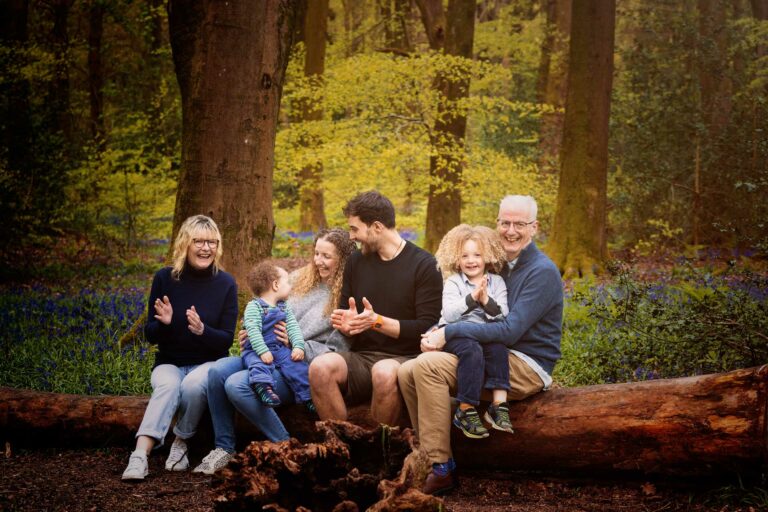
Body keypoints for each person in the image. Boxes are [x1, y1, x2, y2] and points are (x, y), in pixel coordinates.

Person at [398, 195, 563, 496]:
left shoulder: (541, 271)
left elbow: (510, 331)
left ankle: (441, 468)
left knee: (427, 367)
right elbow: (469, 311)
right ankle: (427, 455)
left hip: (526, 363)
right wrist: (437, 329)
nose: (510, 231)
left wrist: (447, 334)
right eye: (505, 223)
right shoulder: (500, 264)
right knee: (407, 371)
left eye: (519, 224)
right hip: (491, 352)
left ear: (534, 227)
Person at [194, 228, 355, 475]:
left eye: (327, 256)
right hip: (265, 354)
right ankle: (224, 448)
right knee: (217, 372)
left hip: (297, 367)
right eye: (316, 253)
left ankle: (285, 445)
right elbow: (265, 306)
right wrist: (252, 330)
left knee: (238, 385)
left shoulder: (345, 296)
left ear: (343, 259)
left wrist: (296, 344)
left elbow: (337, 351)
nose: (318, 261)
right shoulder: (299, 279)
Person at [310, 191, 443, 426]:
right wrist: (347, 324)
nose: (351, 237)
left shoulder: (424, 264)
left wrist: (376, 321)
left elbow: (427, 327)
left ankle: (380, 451)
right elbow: (346, 316)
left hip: (407, 357)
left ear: (377, 227)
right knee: (320, 368)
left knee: (383, 372)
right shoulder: (356, 262)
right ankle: (342, 447)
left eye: (355, 229)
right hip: (362, 358)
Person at [121, 215, 238, 481]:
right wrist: (164, 324)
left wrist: (202, 331)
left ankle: (180, 442)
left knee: (193, 385)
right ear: (185, 243)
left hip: (207, 363)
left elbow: (226, 340)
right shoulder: (165, 278)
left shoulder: (226, 283)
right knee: (169, 386)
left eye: (211, 242)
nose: (205, 248)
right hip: (169, 362)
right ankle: (140, 456)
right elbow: (151, 335)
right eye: (198, 241)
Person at [434, 224, 512, 439]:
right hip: (454, 333)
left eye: (477, 255)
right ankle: (465, 409)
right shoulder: (453, 282)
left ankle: (499, 405)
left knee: (497, 347)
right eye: (464, 255)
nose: (471, 260)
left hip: (484, 332)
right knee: (471, 350)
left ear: (486, 256)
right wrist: (472, 298)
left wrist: (486, 299)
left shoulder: (496, 282)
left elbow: (503, 314)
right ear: (456, 259)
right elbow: (449, 315)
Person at [241, 261, 313, 411]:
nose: (290, 287)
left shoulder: (284, 306)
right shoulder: (254, 307)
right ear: (275, 285)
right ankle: (264, 389)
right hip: (256, 350)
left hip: (279, 348)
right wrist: (262, 351)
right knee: (258, 366)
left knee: (297, 366)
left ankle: (308, 397)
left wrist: (298, 345)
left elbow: (293, 327)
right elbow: (253, 331)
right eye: (287, 282)